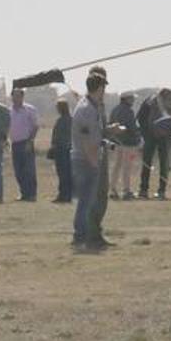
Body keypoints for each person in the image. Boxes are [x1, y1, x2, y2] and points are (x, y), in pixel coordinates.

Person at [72, 72, 112, 250]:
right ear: (99, 88)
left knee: (87, 200)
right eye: (104, 88)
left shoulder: (92, 106)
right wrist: (94, 163)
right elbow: (87, 141)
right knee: (86, 201)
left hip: (89, 157)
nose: (104, 92)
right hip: (86, 160)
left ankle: (87, 235)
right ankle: (80, 236)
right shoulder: (87, 109)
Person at [138, 88, 171, 199]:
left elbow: (140, 117)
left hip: (154, 136)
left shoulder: (150, 101)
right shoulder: (155, 103)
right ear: (165, 97)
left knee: (149, 163)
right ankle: (158, 191)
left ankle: (145, 190)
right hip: (156, 136)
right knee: (159, 164)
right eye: (169, 98)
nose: (170, 100)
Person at [8, 87, 40, 201]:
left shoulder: (30, 109)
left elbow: (35, 126)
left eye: (18, 96)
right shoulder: (9, 111)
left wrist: (30, 141)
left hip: (26, 142)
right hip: (15, 144)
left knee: (29, 170)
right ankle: (23, 193)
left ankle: (32, 194)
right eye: (14, 96)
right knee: (18, 171)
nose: (16, 98)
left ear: (22, 97)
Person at [108, 92, 141, 200]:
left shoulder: (115, 109)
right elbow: (132, 127)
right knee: (127, 167)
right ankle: (126, 191)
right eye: (131, 98)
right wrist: (138, 136)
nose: (133, 100)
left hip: (117, 142)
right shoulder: (128, 111)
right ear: (126, 99)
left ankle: (112, 189)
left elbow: (110, 125)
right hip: (129, 143)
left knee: (116, 166)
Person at [49, 97, 73, 202]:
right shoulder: (72, 120)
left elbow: (56, 136)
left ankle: (63, 195)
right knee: (68, 173)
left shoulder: (60, 121)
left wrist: (53, 146)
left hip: (61, 150)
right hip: (70, 149)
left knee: (63, 173)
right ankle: (68, 194)